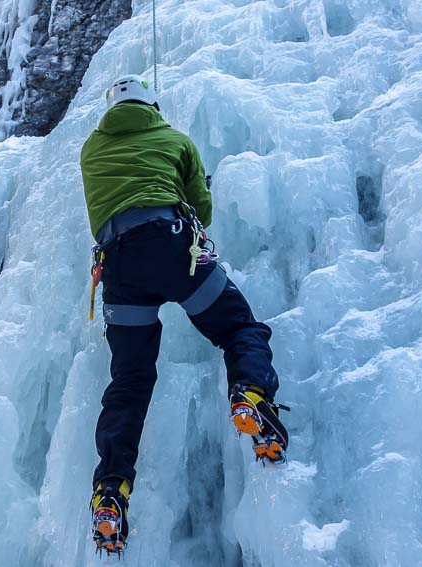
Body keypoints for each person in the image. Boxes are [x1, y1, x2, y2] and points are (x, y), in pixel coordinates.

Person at [80, 74, 289, 555]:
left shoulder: (91, 149)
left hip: (120, 269)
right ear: (153, 106)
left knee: (129, 381)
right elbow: (203, 209)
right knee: (238, 327)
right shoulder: (176, 139)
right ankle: (251, 394)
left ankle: (111, 489)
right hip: (174, 250)